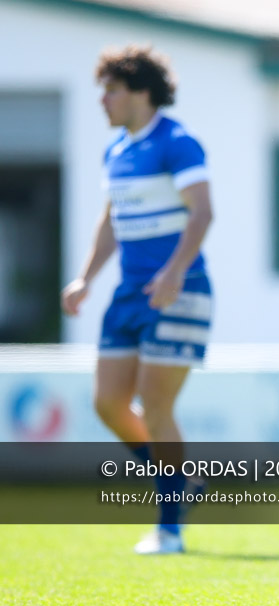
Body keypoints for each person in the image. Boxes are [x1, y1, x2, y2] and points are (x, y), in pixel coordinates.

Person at [60, 45, 213, 555]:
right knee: (107, 402)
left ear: (141, 93)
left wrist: (173, 273)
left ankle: (169, 526)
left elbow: (202, 213)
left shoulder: (177, 142)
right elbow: (111, 222)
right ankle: (181, 481)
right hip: (128, 293)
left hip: (179, 290)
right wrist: (84, 279)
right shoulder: (116, 152)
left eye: (112, 89)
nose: (102, 100)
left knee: (156, 404)